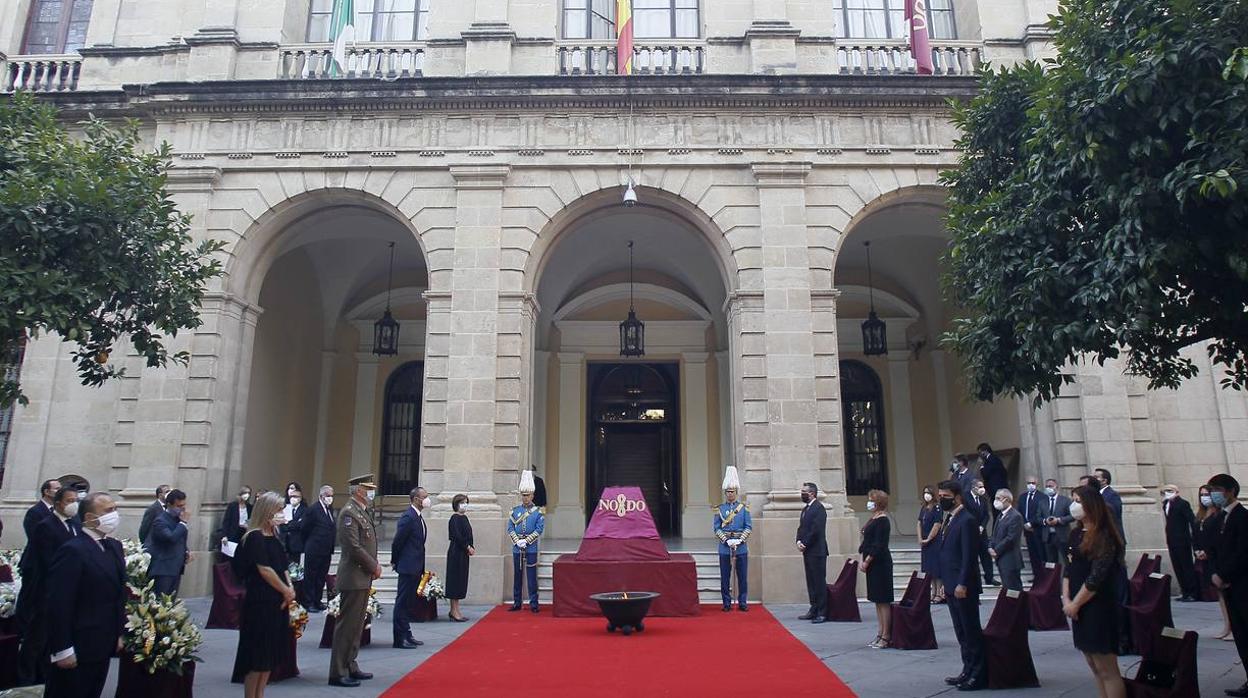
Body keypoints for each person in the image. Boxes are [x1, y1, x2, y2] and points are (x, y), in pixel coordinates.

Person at [44, 492, 126, 698]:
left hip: (103, 642)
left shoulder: (113, 547)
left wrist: (118, 633)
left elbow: (117, 595)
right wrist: (62, 648)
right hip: (78, 643)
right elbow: (59, 602)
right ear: (90, 518)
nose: (114, 515)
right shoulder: (73, 550)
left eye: (115, 510)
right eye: (108, 511)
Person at [1062, 485, 1126, 698]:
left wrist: (1076, 603)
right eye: (1073, 500)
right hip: (1077, 607)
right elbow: (1068, 570)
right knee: (1093, 664)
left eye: (1078, 500)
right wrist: (1066, 599)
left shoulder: (1104, 536)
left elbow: (1096, 577)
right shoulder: (1075, 534)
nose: (1074, 505)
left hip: (1098, 605)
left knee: (1106, 666)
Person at [230, 492, 295, 698]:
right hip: (260, 601)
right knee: (257, 656)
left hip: (278, 601)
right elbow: (264, 569)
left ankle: (260, 694)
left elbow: (283, 566)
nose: (281, 514)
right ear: (267, 512)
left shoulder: (274, 537)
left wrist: (290, 588)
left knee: (269, 655)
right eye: (278, 510)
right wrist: (285, 591)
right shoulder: (254, 537)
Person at [17, 487, 80, 686]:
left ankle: (43, 673)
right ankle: (25, 677)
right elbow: (47, 560)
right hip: (46, 588)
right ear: (58, 503)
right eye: (70, 500)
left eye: (76, 499)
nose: (74, 503)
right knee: (37, 635)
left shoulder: (75, 524)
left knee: (50, 636)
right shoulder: (46, 525)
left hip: (64, 589)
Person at [329, 474, 382, 688]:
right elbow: (352, 547)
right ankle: (338, 671)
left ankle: (350, 663)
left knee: (357, 625)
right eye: (369, 489)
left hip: (362, 576)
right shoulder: (349, 513)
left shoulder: (361, 511)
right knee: (346, 626)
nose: (372, 492)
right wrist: (373, 566)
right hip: (354, 575)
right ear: (359, 490)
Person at [937, 479, 986, 691]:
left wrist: (962, 583)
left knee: (971, 630)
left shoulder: (967, 520)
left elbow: (968, 556)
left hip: (963, 584)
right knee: (961, 632)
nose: (941, 500)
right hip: (950, 583)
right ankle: (967, 669)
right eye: (940, 496)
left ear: (957, 497)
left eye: (945, 497)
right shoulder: (949, 519)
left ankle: (978, 673)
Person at [1208, 473, 1248, 697]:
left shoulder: (1243, 517)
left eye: (1217, 489)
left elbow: (1243, 552)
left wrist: (1223, 574)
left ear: (1230, 490)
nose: (1214, 494)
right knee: (1240, 635)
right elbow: (1214, 548)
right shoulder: (1218, 518)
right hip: (1228, 586)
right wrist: (1214, 572)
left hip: (1241, 584)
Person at [391, 486, 429, 649]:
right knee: (402, 602)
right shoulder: (408, 517)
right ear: (416, 499)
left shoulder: (417, 516)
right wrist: (395, 561)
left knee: (408, 603)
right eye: (424, 496)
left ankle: (407, 633)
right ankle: (399, 638)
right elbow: (398, 541)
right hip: (407, 566)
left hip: (415, 566)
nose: (427, 499)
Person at [1195, 485, 1233, 639]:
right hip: (1205, 559)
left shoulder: (1219, 514)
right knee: (1220, 595)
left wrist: (1208, 551)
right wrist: (1197, 550)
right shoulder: (1200, 515)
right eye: (1202, 494)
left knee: (1227, 593)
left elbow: (1219, 538)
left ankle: (1233, 626)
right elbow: (1196, 536)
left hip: (1216, 557)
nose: (1205, 497)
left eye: (1207, 494)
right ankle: (1227, 626)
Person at [714, 466, 752, 612]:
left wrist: (740, 540)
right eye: (728, 492)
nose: (730, 494)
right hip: (725, 547)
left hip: (740, 546)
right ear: (725, 493)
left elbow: (748, 527)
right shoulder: (720, 509)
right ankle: (726, 602)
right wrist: (726, 540)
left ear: (736, 492)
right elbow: (716, 528)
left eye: (732, 491)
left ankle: (742, 601)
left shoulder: (744, 508)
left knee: (742, 576)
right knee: (725, 577)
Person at [859, 489, 893, 648]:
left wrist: (867, 560)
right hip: (872, 564)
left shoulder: (883, 520)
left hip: (880, 563)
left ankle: (886, 635)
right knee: (876, 600)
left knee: (883, 600)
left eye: (871, 500)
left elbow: (879, 544)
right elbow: (866, 541)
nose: (869, 502)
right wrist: (862, 558)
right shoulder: (873, 518)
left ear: (879, 502)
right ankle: (880, 632)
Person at [508, 470, 545, 613]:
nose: (525, 498)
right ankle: (517, 602)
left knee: (531, 577)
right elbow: (510, 527)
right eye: (523, 495)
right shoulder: (514, 511)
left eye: (528, 495)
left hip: (531, 548)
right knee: (517, 576)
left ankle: (534, 603)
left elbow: (539, 530)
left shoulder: (537, 512)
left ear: (532, 495)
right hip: (517, 548)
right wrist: (517, 541)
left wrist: (527, 541)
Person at [295, 485, 336, 612]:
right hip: (314, 548)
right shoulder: (313, 509)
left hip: (326, 550)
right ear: (321, 496)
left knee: (321, 577)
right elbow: (304, 528)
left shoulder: (329, 509)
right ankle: (308, 602)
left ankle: (317, 600)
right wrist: (309, 543)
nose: (330, 498)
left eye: (331, 495)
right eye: (328, 495)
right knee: (311, 576)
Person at [1160, 484, 1199, 602]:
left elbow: (1191, 520)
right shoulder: (1166, 504)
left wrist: (1195, 538)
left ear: (1176, 491)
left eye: (1170, 490)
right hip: (1172, 540)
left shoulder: (1182, 503)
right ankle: (1185, 591)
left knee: (1186, 566)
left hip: (1182, 540)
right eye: (1165, 491)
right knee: (1178, 566)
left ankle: (1192, 592)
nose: (1167, 493)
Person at [149, 488, 190, 597]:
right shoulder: (160, 521)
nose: (182, 509)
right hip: (163, 569)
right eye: (179, 506)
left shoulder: (178, 519)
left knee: (171, 604)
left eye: (183, 505)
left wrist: (186, 551)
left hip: (176, 567)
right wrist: (183, 523)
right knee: (161, 604)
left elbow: (181, 540)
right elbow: (171, 538)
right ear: (169, 505)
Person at [796, 482, 828, 624]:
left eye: (804, 491)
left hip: (817, 551)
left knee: (819, 582)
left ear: (812, 494)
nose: (802, 494)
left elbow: (816, 530)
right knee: (811, 581)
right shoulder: (805, 509)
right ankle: (813, 608)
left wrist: (805, 543)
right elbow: (801, 528)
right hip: (807, 551)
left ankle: (822, 612)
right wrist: (798, 540)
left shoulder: (819, 509)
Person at [446, 494, 474, 622]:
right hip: (456, 552)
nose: (465, 505)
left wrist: (471, 546)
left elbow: (469, 534)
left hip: (464, 553)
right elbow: (456, 536)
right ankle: (453, 610)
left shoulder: (465, 518)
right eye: (462, 502)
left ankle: (456, 609)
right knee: (455, 581)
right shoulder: (454, 518)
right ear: (456, 504)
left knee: (461, 580)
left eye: (466, 502)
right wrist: (467, 546)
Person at [989, 489, 1024, 591]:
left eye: (998, 498)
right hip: (1002, 559)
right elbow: (994, 534)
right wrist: (990, 546)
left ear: (1006, 500)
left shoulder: (1015, 516)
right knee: (1007, 588)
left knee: (1013, 589)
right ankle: (1011, 606)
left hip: (1011, 559)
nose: (996, 501)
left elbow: (1011, 538)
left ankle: (1018, 606)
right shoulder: (1000, 515)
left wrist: (996, 550)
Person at [966, 478, 996, 586]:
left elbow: (986, 515)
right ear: (973, 487)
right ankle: (975, 579)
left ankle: (990, 577)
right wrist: (975, 526)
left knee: (986, 555)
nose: (982, 489)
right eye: (980, 487)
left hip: (982, 533)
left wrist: (982, 526)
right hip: (970, 532)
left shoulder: (983, 499)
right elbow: (966, 514)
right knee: (972, 557)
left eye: (982, 486)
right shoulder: (965, 498)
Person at [917, 485, 945, 603]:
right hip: (925, 543)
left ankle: (939, 593)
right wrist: (920, 538)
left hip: (934, 542)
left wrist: (928, 538)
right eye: (924, 492)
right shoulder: (924, 507)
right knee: (929, 569)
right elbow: (919, 523)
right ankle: (933, 592)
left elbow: (937, 524)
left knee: (936, 568)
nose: (926, 495)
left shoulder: (937, 507)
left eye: (928, 492)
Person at [1039, 478, 1074, 563]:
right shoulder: (1042, 502)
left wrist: (1059, 520)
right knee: (1051, 561)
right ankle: (1054, 576)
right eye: (1047, 486)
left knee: (1067, 559)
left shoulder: (1065, 500)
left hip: (1062, 535)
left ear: (1056, 487)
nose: (1048, 488)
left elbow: (1072, 516)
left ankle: (1068, 575)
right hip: (1048, 536)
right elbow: (1038, 517)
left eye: (1050, 486)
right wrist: (1045, 521)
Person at [216, 486, 253, 561]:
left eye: (249, 493)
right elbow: (226, 521)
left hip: (244, 533)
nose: (247, 495)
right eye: (245, 493)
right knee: (230, 557)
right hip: (233, 533)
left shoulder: (249, 507)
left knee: (241, 556)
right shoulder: (233, 506)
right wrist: (224, 535)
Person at [1019, 476, 1046, 571]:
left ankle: (1043, 576)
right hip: (1027, 530)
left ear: (1037, 484)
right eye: (1029, 483)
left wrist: (1031, 523)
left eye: (1033, 483)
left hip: (1038, 529)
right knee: (1032, 554)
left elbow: (1042, 513)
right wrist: (1025, 524)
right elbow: (1020, 512)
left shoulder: (1042, 497)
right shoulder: (1022, 497)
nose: (1030, 485)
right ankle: (1036, 575)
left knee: (1041, 554)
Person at [978, 443, 1008, 524]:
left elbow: (986, 474)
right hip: (997, 489)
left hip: (996, 490)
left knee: (997, 511)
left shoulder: (991, 460)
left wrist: (981, 466)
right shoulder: (994, 459)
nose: (980, 455)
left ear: (985, 451)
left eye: (980, 452)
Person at [283, 486, 308, 563]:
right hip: (285, 542)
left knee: (295, 565)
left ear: (300, 498)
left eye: (295, 496)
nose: (293, 498)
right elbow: (282, 524)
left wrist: (288, 523)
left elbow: (301, 525)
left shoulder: (305, 510)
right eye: (291, 496)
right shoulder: (285, 508)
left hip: (297, 543)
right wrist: (292, 523)